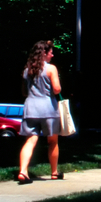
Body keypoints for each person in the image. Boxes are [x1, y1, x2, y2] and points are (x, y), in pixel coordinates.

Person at [17, 40, 62, 184]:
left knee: (30, 140)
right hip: (49, 109)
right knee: (53, 141)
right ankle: (54, 172)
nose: (52, 55)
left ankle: (23, 171)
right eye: (50, 52)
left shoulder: (27, 70)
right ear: (44, 53)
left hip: (30, 108)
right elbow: (56, 89)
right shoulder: (51, 69)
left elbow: (24, 91)